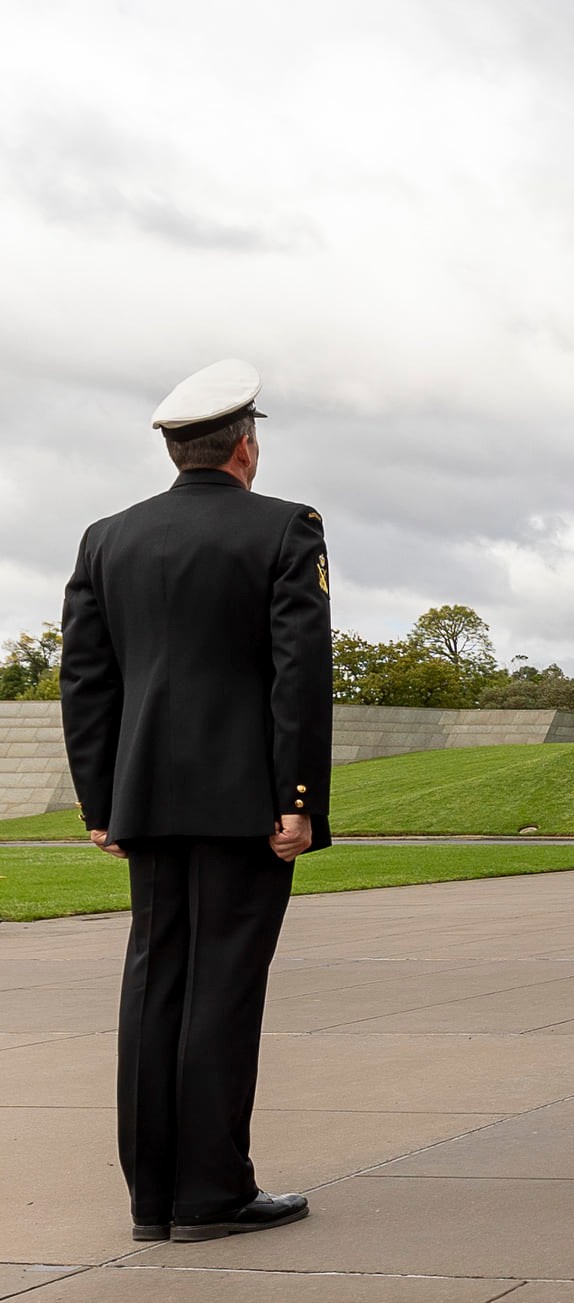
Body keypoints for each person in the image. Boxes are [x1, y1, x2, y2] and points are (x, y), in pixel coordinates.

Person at [60, 359, 330, 1244]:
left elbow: (86, 683)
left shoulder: (107, 538)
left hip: (145, 801)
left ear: (176, 450)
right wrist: (299, 801)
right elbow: (299, 677)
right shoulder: (287, 529)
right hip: (245, 804)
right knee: (222, 993)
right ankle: (211, 1191)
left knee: (154, 990)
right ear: (245, 447)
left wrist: (101, 801)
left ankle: (153, 1203)